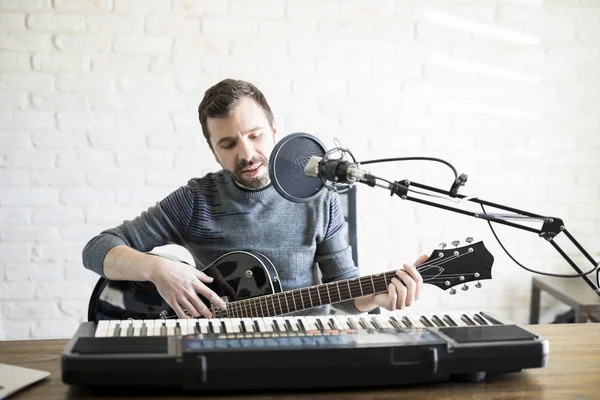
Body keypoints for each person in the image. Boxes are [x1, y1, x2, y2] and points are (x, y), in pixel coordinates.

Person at [82, 79, 426, 319]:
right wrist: (157, 270)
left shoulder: (319, 195)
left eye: (255, 135)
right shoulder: (195, 201)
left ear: (274, 131)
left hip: (306, 347)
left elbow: (345, 290)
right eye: (228, 144)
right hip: (222, 354)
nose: (246, 154)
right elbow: (97, 249)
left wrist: (377, 295)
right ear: (214, 151)